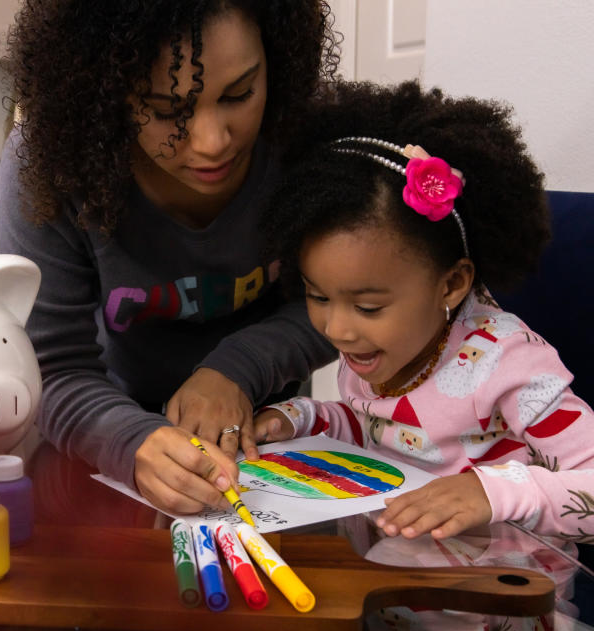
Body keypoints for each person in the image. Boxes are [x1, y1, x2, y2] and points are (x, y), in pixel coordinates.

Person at [0, 0, 339, 514]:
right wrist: (133, 440)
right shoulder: (49, 163)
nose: (212, 142)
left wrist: (238, 368)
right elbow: (49, 369)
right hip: (103, 437)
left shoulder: (307, 136)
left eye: (241, 94)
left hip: (269, 443)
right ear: (104, 93)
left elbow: (350, 302)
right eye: (164, 110)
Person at [254, 80, 594, 544]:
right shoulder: (382, 348)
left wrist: (491, 492)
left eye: (368, 306)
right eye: (317, 296)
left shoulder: (509, 364)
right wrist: (306, 418)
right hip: (397, 590)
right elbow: (383, 430)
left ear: (451, 283)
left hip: (499, 604)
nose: (336, 329)